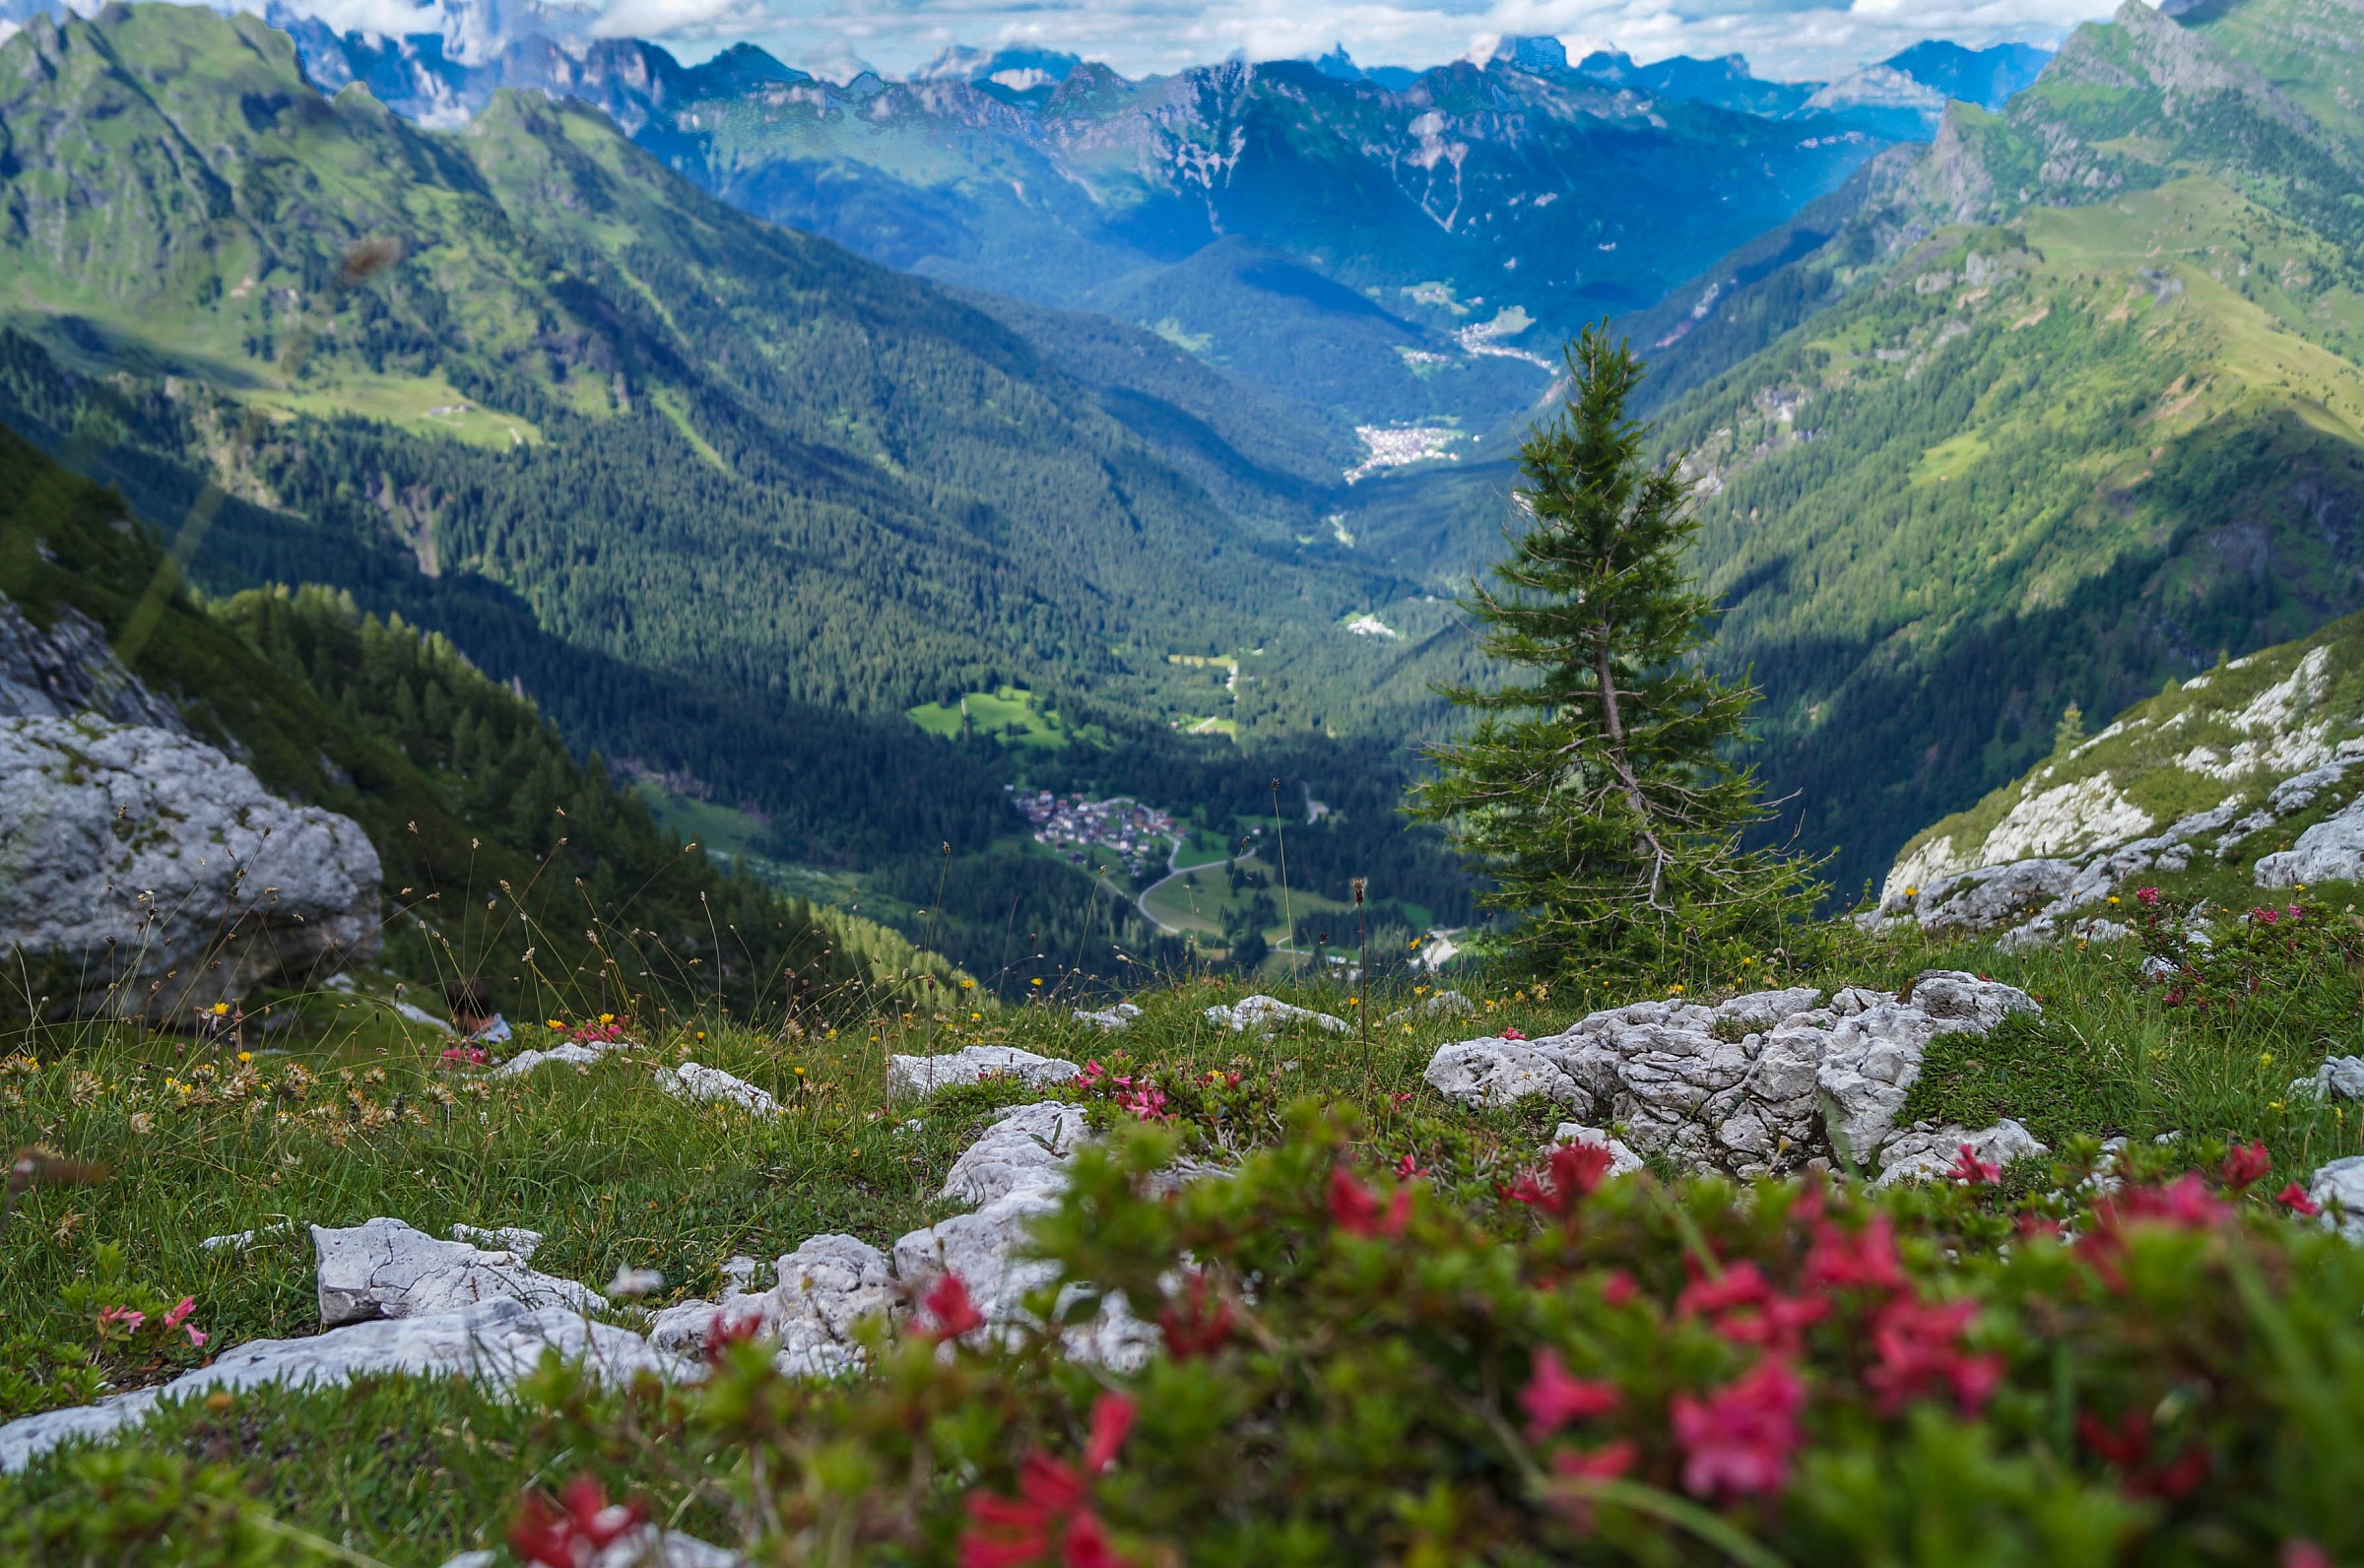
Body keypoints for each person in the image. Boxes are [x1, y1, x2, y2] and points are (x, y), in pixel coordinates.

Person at [444, 978, 512, 1044]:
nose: (452, 1019)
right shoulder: (513, 1029)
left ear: (465, 1014)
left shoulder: (481, 1047)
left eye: (452, 1014)